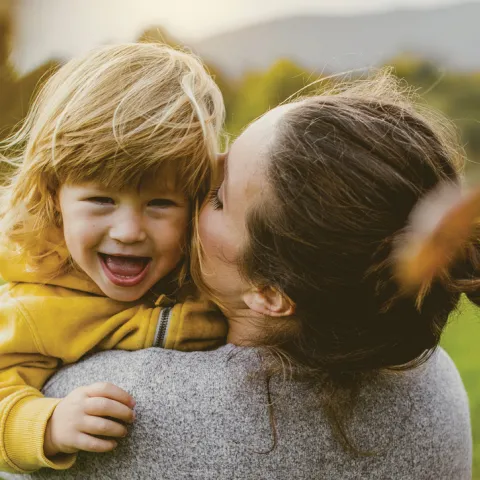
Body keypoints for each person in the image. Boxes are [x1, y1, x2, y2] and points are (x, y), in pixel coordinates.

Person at [15, 70, 472, 479]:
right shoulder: (428, 378)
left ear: (269, 293)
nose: (194, 181)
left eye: (216, 197)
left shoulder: (113, 408)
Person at [0, 43, 227, 473]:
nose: (128, 232)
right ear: (54, 197)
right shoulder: (36, 303)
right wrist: (47, 424)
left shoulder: (207, 268)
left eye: (161, 203)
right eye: (101, 200)